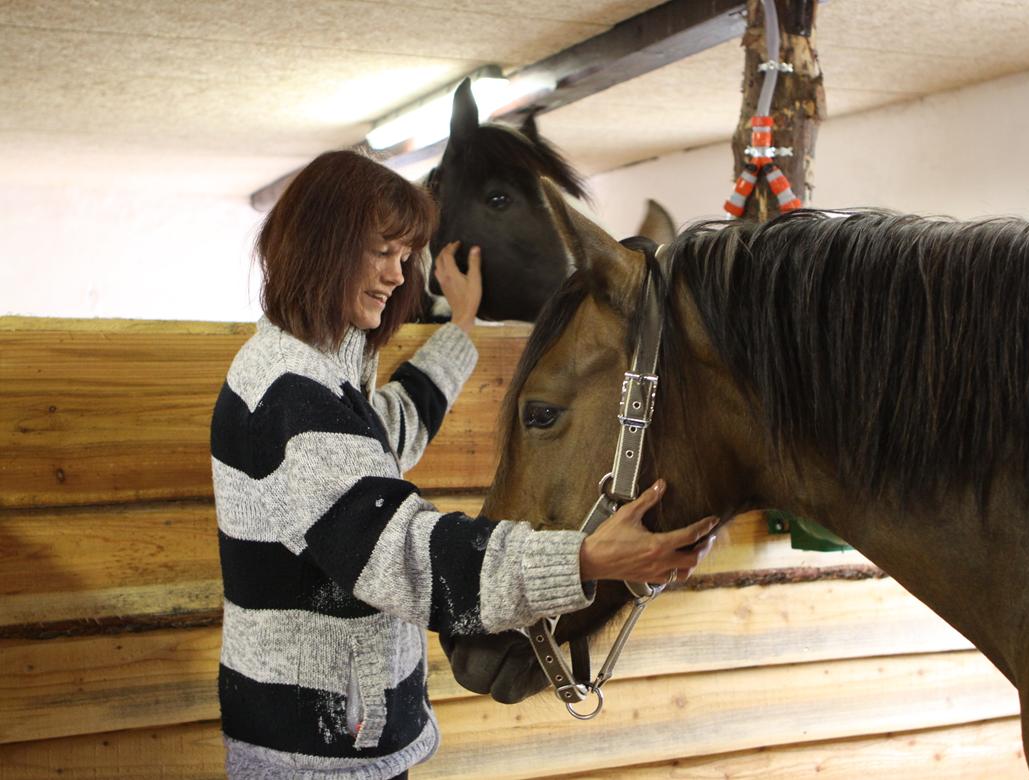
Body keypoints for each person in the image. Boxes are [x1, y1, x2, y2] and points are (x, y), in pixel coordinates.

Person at [210, 150, 717, 779]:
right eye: (381, 251)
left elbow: (382, 437)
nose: (397, 276)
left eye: (404, 256)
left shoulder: (307, 375)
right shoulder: (293, 398)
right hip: (317, 755)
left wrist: (463, 324)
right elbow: (402, 553)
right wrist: (582, 559)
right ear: (324, 245)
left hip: (333, 735)